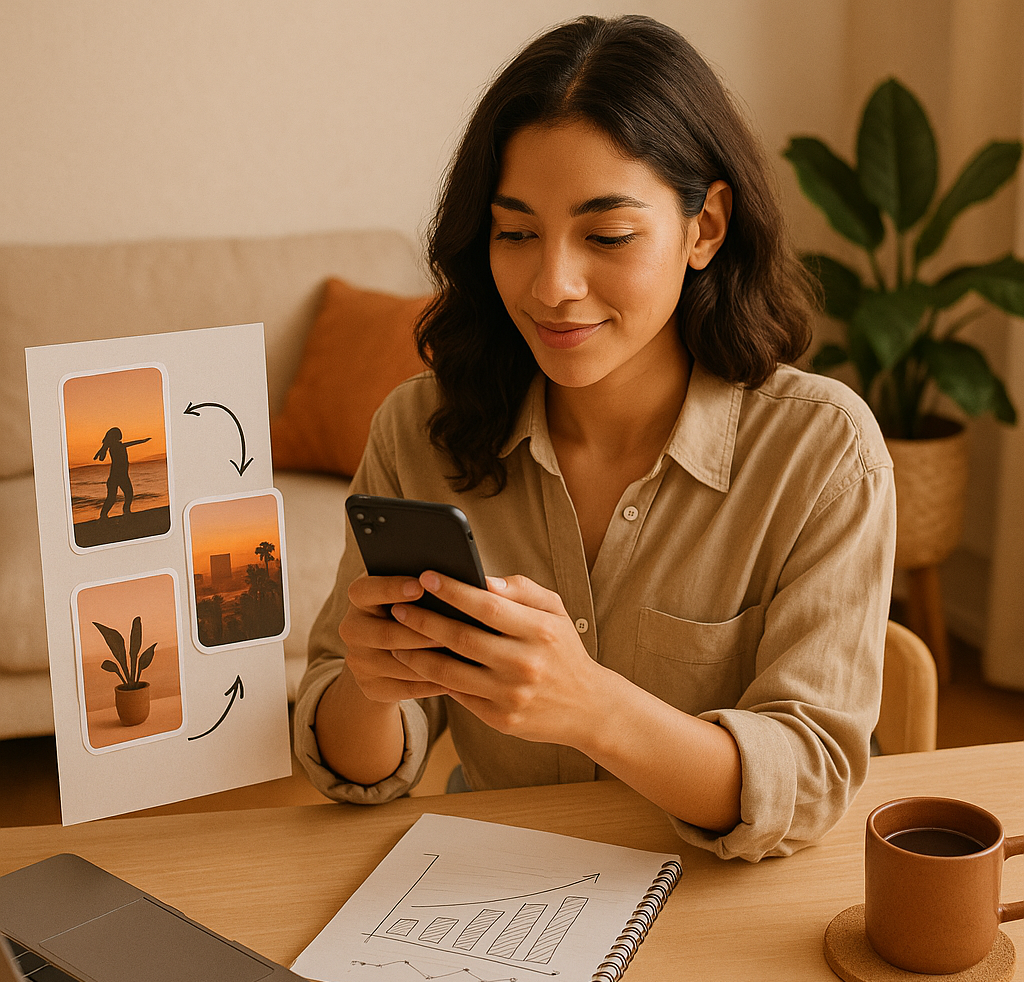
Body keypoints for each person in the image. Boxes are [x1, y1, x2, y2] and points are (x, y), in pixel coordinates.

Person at [294, 15, 895, 862]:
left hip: (709, 895)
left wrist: (592, 706)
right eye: (516, 233)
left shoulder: (822, 453)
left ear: (705, 228)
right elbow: (354, 768)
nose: (552, 286)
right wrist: (372, 685)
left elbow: (808, 774)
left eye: (607, 236)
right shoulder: (418, 430)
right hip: (489, 895)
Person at [93, 426, 151, 518]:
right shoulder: (114, 446)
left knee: (124, 495)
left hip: (121, 475)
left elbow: (130, 443)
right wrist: (103, 449)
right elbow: (101, 458)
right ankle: (108, 514)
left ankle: (119, 512)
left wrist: (142, 441)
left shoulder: (115, 445)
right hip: (118, 476)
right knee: (118, 496)